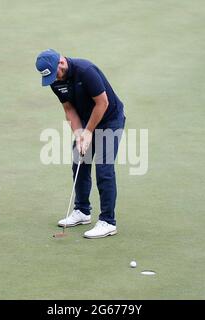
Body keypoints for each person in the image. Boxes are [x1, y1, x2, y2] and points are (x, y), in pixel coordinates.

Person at [36, 49, 126, 239]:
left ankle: (108, 221)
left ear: (61, 62)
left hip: (110, 119)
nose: (55, 79)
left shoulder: (85, 70)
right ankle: (82, 211)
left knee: (104, 168)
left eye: (55, 74)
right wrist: (79, 135)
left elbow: (103, 103)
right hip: (87, 121)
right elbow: (69, 109)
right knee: (79, 160)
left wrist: (88, 132)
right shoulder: (55, 81)